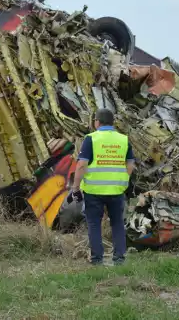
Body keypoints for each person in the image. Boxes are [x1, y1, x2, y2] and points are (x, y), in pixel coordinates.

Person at [69, 108, 135, 266]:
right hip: (116, 190)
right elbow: (130, 164)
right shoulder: (123, 139)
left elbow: (82, 165)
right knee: (118, 223)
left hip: (94, 191)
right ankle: (119, 259)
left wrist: (75, 187)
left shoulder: (91, 139)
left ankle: (97, 260)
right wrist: (124, 181)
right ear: (112, 123)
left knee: (94, 224)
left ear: (97, 122)